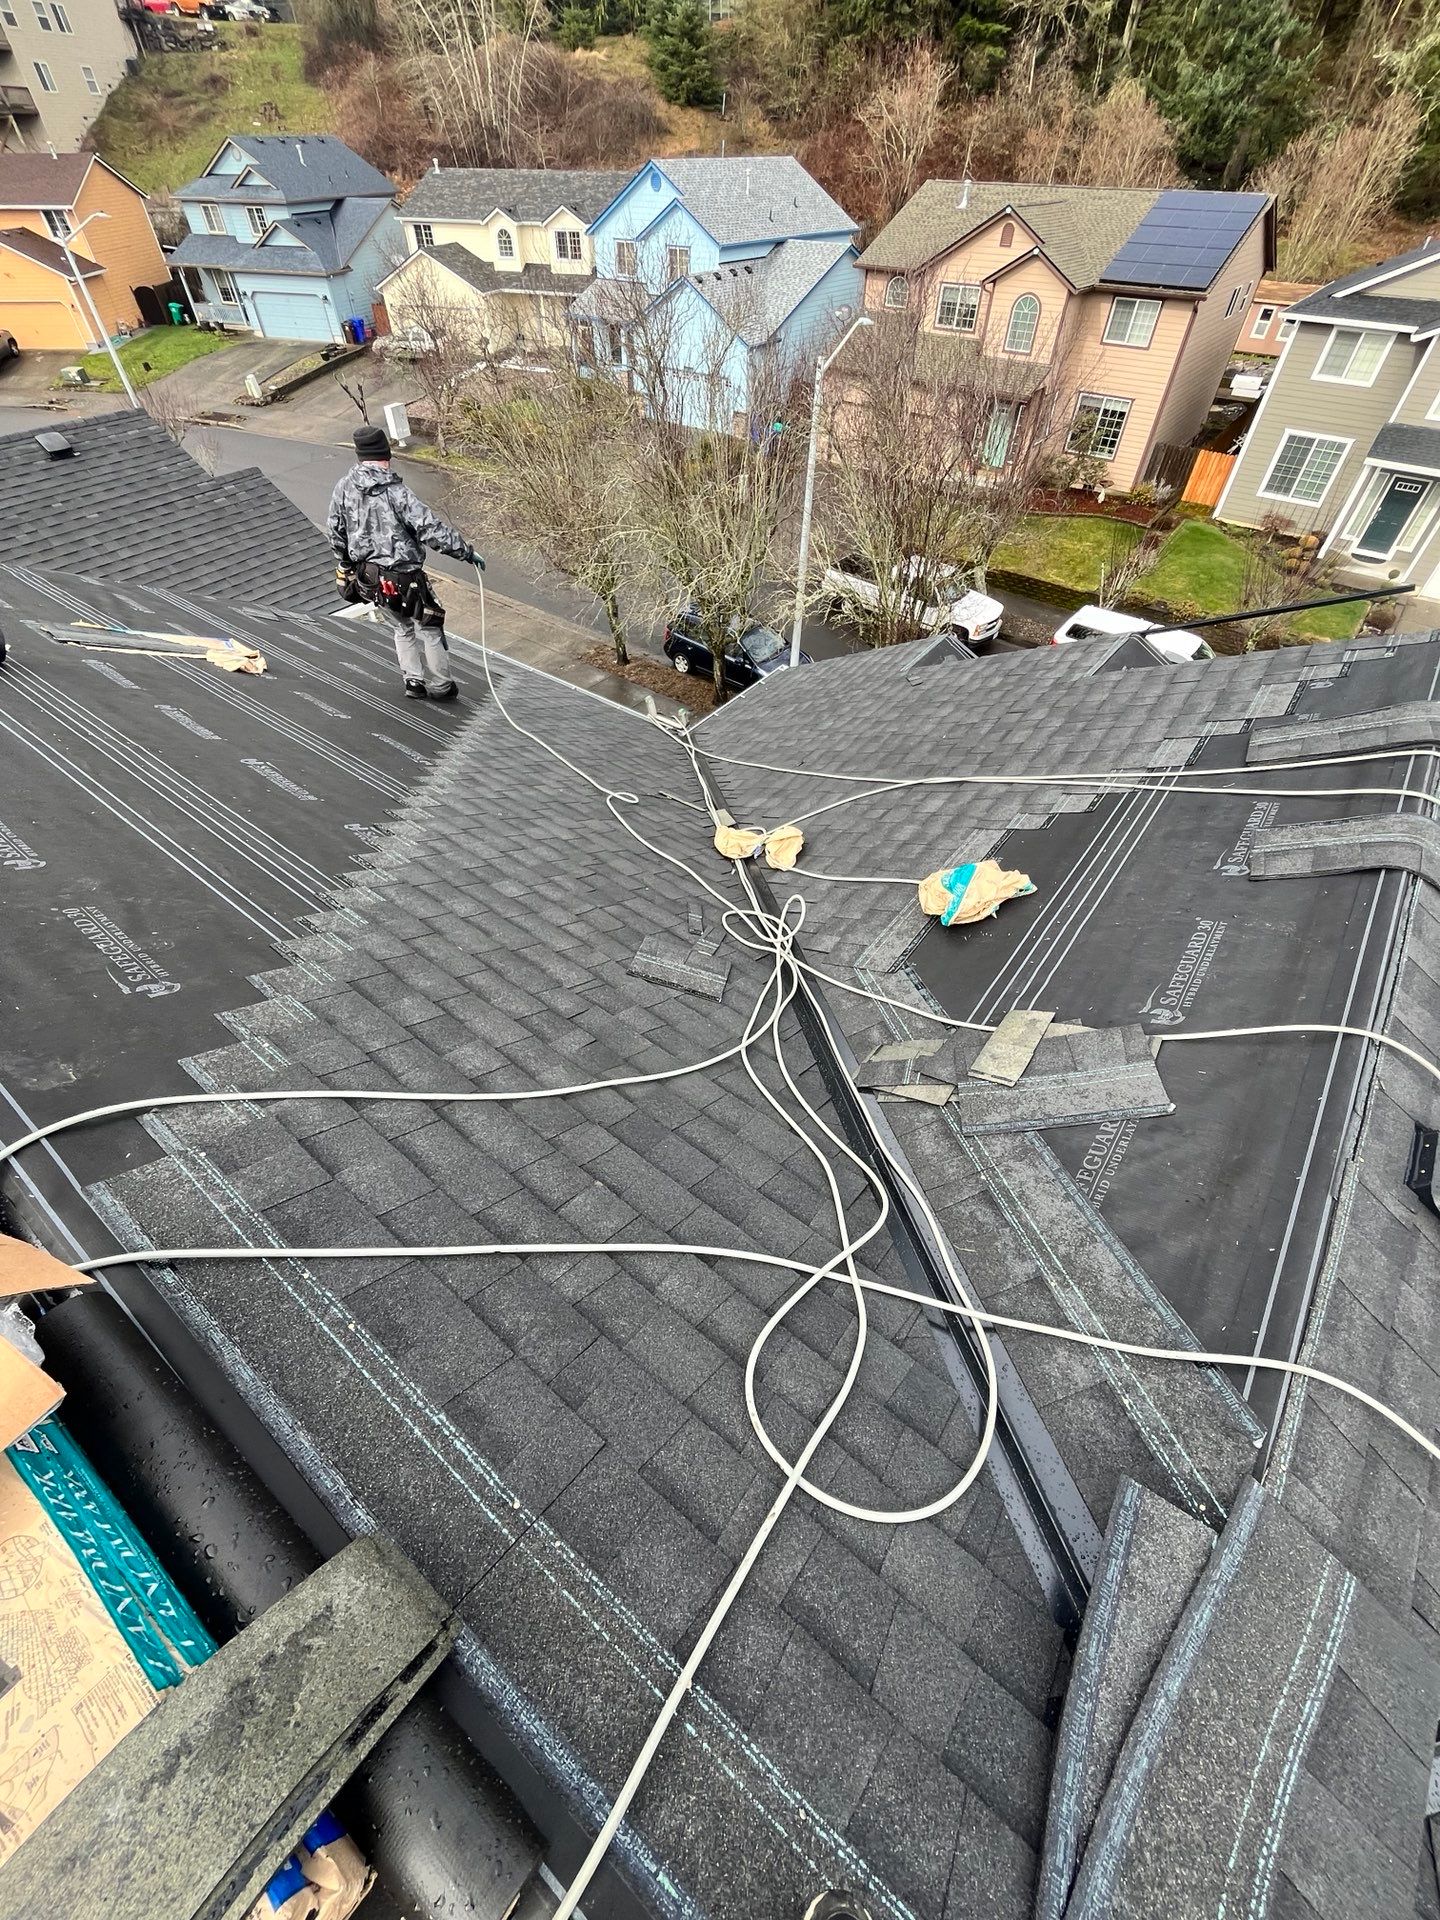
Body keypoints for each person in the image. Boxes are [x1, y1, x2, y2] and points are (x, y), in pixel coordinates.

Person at [326, 423, 484, 701]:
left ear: (360, 457)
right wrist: (465, 552)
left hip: (371, 578)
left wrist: (346, 566)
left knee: (401, 627)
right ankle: (441, 685)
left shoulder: (343, 488)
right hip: (406, 577)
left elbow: (335, 531)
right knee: (430, 626)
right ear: (385, 456)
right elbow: (430, 528)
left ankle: (413, 681)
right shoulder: (396, 492)